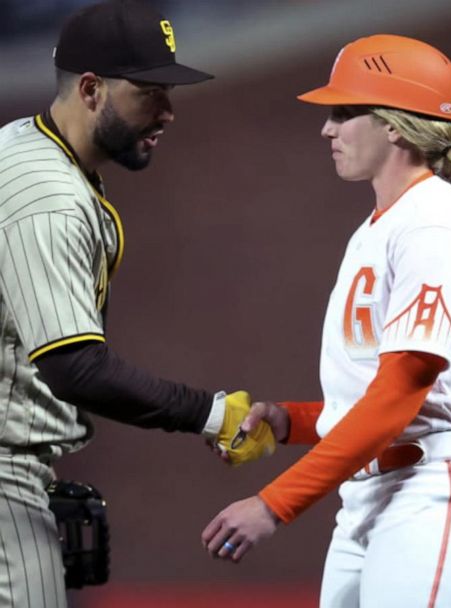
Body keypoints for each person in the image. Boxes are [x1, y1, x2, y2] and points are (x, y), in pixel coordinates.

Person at [0, 1, 275, 606]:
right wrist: (210, 413)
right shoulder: (47, 194)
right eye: (150, 93)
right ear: (92, 89)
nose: (169, 111)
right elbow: (76, 368)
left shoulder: (25, 147)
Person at [202, 34, 451, 607]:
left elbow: (403, 391)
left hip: (436, 492)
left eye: (344, 112)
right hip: (376, 495)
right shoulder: (382, 225)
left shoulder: (434, 222)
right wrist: (294, 421)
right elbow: (387, 392)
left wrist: (274, 503)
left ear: (395, 125)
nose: (327, 129)